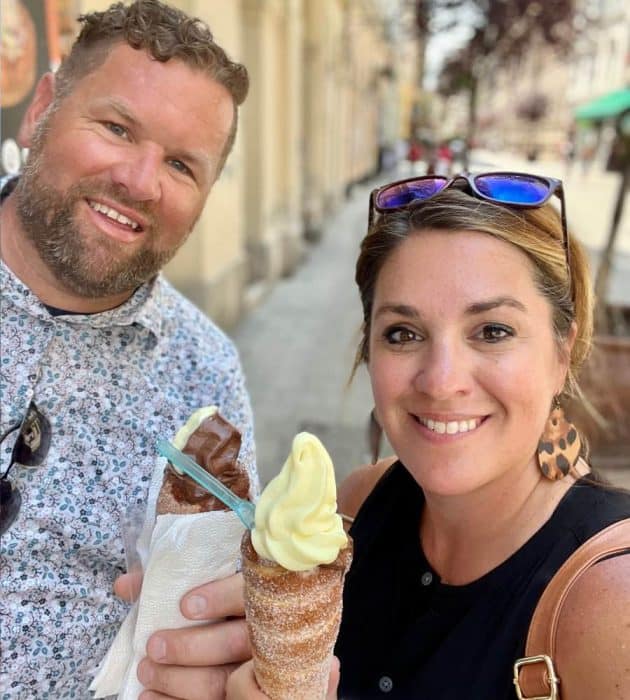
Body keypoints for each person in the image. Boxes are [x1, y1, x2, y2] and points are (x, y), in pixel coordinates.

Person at [226, 172, 630, 699]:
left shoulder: (610, 601)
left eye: (492, 331)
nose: (441, 381)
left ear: (562, 352)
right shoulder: (354, 506)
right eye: (403, 333)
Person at [0, 1, 258, 697]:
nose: (140, 183)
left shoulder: (205, 377)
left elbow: (221, 608)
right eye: (117, 128)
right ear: (42, 109)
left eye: (181, 165)